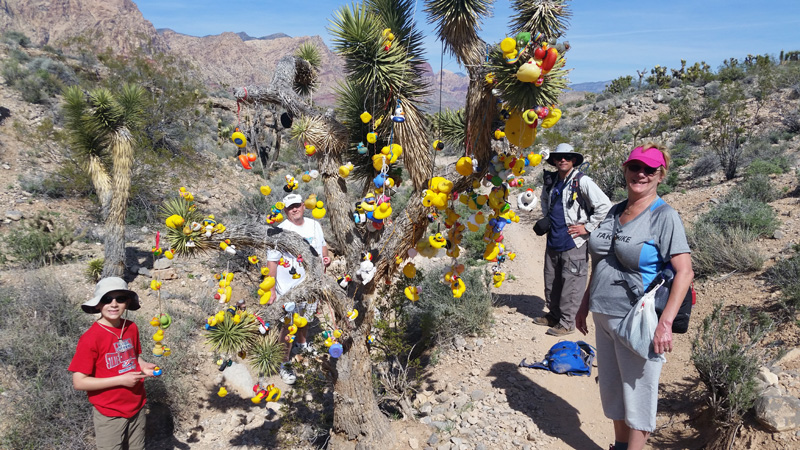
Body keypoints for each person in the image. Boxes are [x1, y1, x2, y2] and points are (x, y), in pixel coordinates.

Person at [575, 143, 694, 450]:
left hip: (637, 319)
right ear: (625, 169)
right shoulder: (615, 210)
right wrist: (585, 303)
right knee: (613, 391)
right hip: (603, 314)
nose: (640, 174)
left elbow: (684, 272)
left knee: (638, 392)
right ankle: (618, 445)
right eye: (635, 167)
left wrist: (665, 323)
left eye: (649, 170)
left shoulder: (664, 217)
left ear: (660, 175)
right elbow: (602, 261)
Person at [69, 277, 158, 450]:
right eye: (107, 299)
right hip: (109, 413)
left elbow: (132, 356)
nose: (114, 304)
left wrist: (143, 365)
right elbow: (79, 382)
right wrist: (120, 380)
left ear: (128, 302)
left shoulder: (131, 327)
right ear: (98, 305)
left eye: (120, 299)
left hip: (137, 405)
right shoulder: (90, 338)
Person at [533, 143, 611, 336]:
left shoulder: (582, 181)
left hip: (573, 242)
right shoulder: (551, 181)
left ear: (573, 160)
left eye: (567, 157)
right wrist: (547, 219)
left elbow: (604, 205)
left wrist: (588, 227)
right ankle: (554, 315)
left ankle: (567, 323)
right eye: (559, 157)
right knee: (551, 280)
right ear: (554, 161)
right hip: (553, 239)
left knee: (572, 283)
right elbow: (544, 199)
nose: (563, 160)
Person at [266, 192, 331, 385]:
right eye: (290, 207)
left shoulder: (314, 225)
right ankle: (284, 363)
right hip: (289, 287)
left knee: (307, 318)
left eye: (297, 205)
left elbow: (323, 246)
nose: (294, 209)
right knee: (288, 325)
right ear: (285, 211)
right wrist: (271, 289)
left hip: (312, 284)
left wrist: (325, 259)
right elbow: (272, 261)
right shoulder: (279, 231)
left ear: (303, 206)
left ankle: (302, 344)